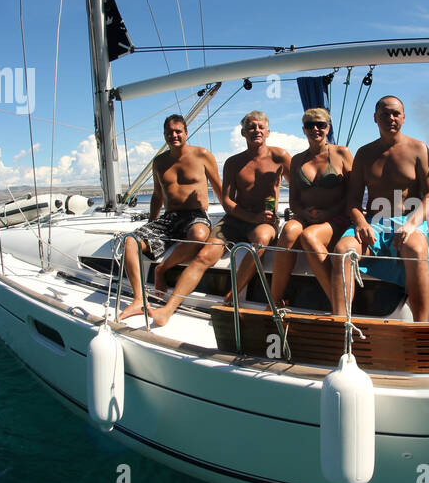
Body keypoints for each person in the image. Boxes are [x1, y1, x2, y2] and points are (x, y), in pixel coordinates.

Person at [112, 112, 222, 330]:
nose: (174, 135)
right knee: (130, 241)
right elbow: (157, 195)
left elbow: (219, 188)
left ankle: (161, 269)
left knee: (199, 236)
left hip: (195, 215)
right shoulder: (159, 162)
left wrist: (233, 213)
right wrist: (150, 224)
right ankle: (138, 300)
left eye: (178, 131)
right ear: (164, 135)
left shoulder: (202, 155)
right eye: (169, 132)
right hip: (169, 217)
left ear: (186, 133)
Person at [347, 95, 429, 322]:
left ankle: (421, 327)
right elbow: (352, 200)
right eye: (384, 113)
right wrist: (360, 223)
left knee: (417, 250)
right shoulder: (364, 153)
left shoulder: (419, 149)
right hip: (374, 222)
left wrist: (411, 224)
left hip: (410, 219)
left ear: (403, 117)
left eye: (395, 113)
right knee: (343, 251)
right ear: (375, 118)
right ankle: (345, 325)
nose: (390, 118)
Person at [270, 106, 364, 316]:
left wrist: (328, 213)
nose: (315, 129)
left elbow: (353, 194)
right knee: (288, 231)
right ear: (303, 129)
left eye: (320, 125)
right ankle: (274, 300)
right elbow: (293, 200)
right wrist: (303, 213)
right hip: (306, 216)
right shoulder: (297, 160)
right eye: (310, 125)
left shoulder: (342, 153)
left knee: (309, 236)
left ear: (328, 127)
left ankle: (338, 305)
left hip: (337, 216)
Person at [217, 109, 290, 301]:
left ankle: (231, 295)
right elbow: (226, 200)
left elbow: (298, 187)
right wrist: (251, 217)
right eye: (251, 127)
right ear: (243, 133)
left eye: (261, 127)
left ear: (268, 132)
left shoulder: (280, 156)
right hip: (237, 218)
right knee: (206, 251)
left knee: (261, 238)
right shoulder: (234, 162)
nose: (256, 130)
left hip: (265, 221)